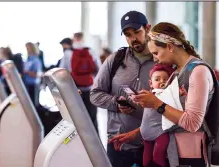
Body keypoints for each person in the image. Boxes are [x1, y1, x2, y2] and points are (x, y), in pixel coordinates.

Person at [110, 22, 217, 167]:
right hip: (174, 154)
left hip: (190, 155)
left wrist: (156, 103)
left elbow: (192, 122)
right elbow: (169, 115)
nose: (155, 59)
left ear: (170, 47)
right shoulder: (177, 72)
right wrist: (138, 132)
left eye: (156, 53)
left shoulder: (198, 71)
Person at [90, 11, 154, 167]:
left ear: (147, 28)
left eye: (137, 32)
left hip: (152, 144)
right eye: (128, 35)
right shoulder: (116, 59)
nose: (133, 39)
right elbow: (95, 94)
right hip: (119, 145)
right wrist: (116, 103)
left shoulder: (161, 60)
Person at [109, 64, 175, 167]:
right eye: (157, 79)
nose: (162, 81)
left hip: (160, 133)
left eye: (165, 79)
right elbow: (138, 99)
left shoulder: (169, 95)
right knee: (146, 158)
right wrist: (132, 98)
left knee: (158, 156)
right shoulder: (148, 95)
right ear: (151, 83)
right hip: (146, 134)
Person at [60, 32, 101, 133]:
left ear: (73, 39)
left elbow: (62, 71)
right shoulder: (90, 51)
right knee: (92, 116)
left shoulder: (68, 52)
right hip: (90, 87)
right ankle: (96, 141)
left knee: (76, 117)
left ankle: (80, 141)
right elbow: (99, 69)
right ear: (83, 39)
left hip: (75, 89)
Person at [23, 42, 42, 107]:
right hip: (28, 84)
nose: (27, 50)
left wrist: (26, 72)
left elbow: (37, 74)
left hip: (34, 84)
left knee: (34, 104)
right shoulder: (27, 59)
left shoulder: (36, 60)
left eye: (28, 48)